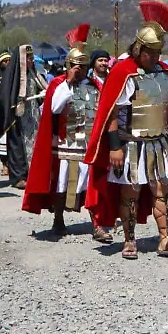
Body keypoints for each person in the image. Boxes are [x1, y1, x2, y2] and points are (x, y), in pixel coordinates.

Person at [84, 0, 168, 259]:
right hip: (131, 143)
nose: (156, 57)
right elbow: (111, 111)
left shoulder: (165, 72)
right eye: (151, 52)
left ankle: (165, 239)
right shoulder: (123, 72)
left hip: (159, 141)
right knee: (131, 192)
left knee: (162, 190)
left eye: (159, 52)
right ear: (139, 49)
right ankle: (129, 240)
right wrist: (114, 146)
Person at [23, 46, 114, 242]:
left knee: (91, 184)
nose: (79, 69)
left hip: (88, 144)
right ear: (68, 66)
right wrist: (69, 82)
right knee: (61, 183)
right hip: (65, 142)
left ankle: (97, 225)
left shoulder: (94, 85)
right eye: (75, 66)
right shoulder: (58, 84)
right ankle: (58, 219)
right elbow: (54, 108)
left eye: (82, 66)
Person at [0, 45, 48, 189]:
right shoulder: (12, 75)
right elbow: (6, 96)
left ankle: (33, 173)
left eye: (32, 58)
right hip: (17, 117)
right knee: (18, 146)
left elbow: (41, 88)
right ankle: (18, 177)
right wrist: (16, 102)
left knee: (34, 144)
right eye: (28, 58)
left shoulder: (33, 73)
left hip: (33, 115)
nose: (31, 61)